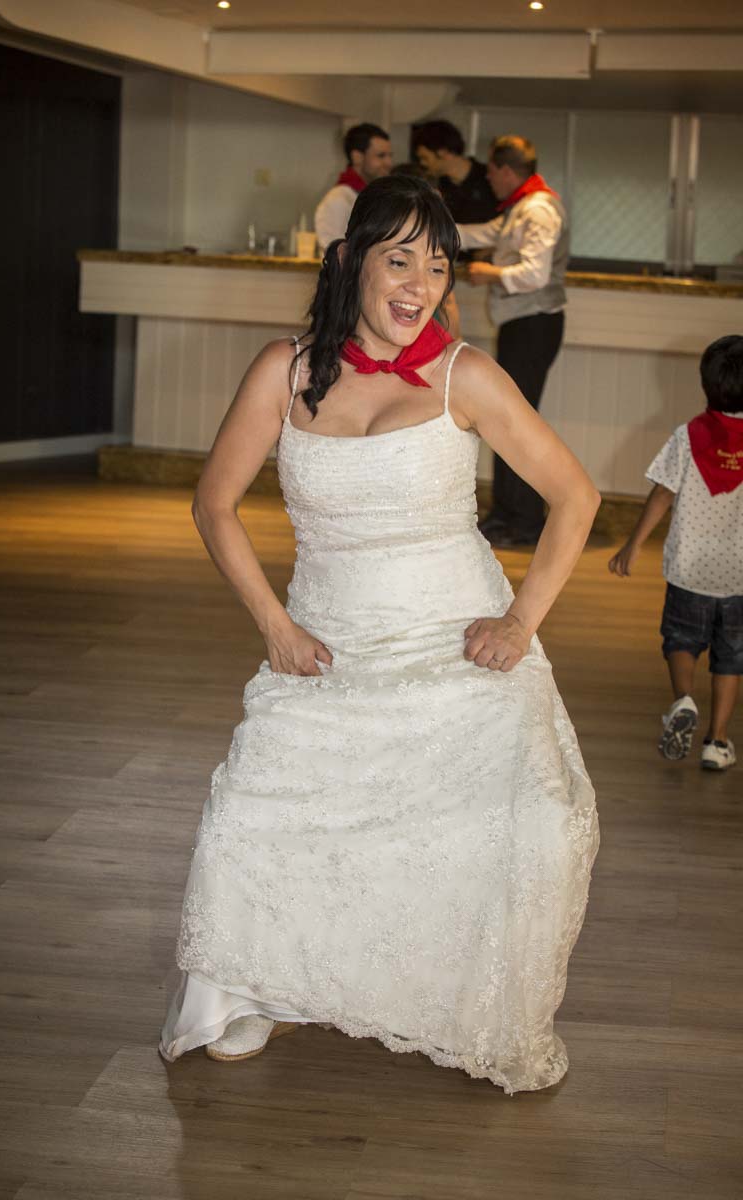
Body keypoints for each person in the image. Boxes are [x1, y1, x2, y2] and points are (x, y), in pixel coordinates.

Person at [160, 175, 599, 1095]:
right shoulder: (284, 369)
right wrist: (275, 625)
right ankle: (260, 982)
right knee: (252, 811)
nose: (421, 285)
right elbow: (214, 504)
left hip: (454, 645)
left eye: (437, 267)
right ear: (351, 259)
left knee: (516, 822)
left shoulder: (466, 375)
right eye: (400, 260)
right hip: (329, 645)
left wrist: (520, 621)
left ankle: (446, 994)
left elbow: (576, 497)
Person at [608, 335, 743, 771]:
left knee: (681, 640)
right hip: (740, 577)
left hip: (690, 570)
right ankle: (717, 742)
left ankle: (684, 700)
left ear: (706, 384)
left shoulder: (689, 437)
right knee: (731, 658)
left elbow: (663, 494)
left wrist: (633, 544)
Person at [458, 135, 568, 548]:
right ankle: (507, 514)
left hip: (534, 325)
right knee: (508, 419)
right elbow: (484, 232)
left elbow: (535, 275)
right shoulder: (521, 207)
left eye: (490, 170)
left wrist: (490, 273)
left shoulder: (538, 209)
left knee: (515, 423)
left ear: (506, 170)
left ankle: (524, 520)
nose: (488, 178)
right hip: (523, 325)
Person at [314, 122, 392, 252]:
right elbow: (334, 255)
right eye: (381, 156)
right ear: (357, 157)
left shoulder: (375, 196)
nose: (389, 163)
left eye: (390, 156)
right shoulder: (338, 200)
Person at [412, 119, 498, 226]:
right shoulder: (438, 189)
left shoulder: (490, 179)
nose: (422, 163)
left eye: (425, 158)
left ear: (442, 151)